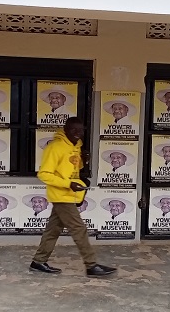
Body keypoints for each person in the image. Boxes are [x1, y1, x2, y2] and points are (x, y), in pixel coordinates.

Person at [30, 117, 116, 278]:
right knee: (79, 229)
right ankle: (91, 265)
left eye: (81, 130)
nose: (78, 133)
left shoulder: (76, 146)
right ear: (65, 129)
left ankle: (38, 261)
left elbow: (70, 168)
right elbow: (44, 174)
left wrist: (84, 161)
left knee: (53, 230)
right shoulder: (55, 147)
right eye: (74, 130)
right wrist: (68, 184)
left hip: (69, 194)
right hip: (61, 195)